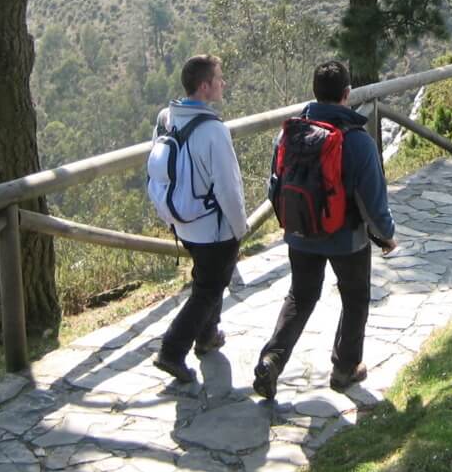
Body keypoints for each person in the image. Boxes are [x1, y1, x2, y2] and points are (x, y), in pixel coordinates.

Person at [253, 59, 398, 398]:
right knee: (355, 297)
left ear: (315, 93)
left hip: (300, 233)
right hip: (346, 239)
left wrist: (290, 225)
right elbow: (372, 199)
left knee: (300, 296)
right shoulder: (358, 141)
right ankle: (345, 368)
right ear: (347, 95)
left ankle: (272, 361)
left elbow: (274, 186)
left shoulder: (289, 133)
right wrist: (386, 235)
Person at [152, 54, 248, 383]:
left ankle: (207, 336)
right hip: (212, 226)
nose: (223, 84)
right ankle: (171, 351)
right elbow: (228, 187)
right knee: (208, 289)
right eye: (219, 78)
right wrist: (240, 228)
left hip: (182, 220)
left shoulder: (166, 117)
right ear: (205, 86)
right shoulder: (213, 131)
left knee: (210, 279)